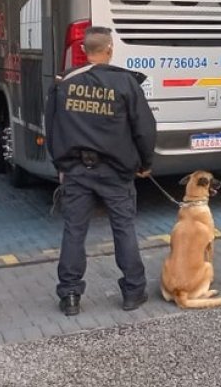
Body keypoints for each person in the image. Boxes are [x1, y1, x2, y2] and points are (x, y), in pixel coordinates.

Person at [44, 26, 156, 316]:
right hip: (116, 171)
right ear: (109, 49)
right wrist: (145, 164)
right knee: (123, 229)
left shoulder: (64, 83)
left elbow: (51, 127)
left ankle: (70, 296)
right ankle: (133, 293)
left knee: (74, 232)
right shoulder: (125, 83)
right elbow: (144, 129)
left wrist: (61, 165)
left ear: (83, 50)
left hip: (77, 170)